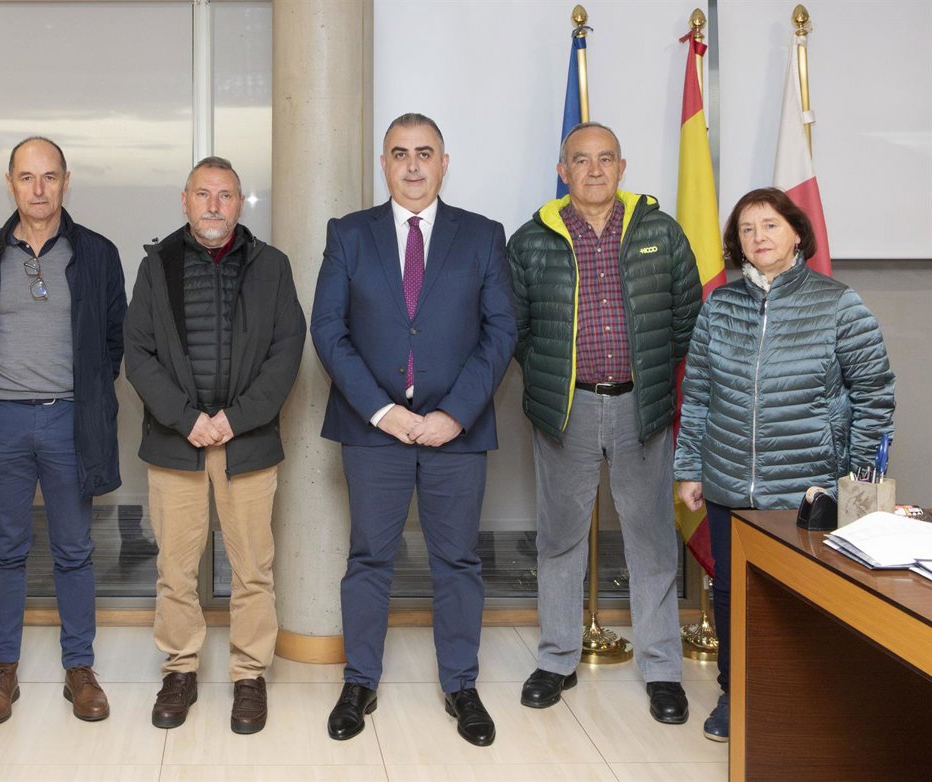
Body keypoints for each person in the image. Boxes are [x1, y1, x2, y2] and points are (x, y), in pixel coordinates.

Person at [311, 113, 517, 747]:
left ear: (444, 163)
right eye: (400, 153)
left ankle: (461, 685)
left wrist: (454, 413)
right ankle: (359, 682)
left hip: (457, 431)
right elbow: (328, 329)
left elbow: (501, 331)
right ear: (384, 163)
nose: (413, 165)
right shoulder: (349, 233)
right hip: (375, 430)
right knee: (369, 557)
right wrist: (383, 412)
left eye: (425, 153)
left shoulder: (483, 235)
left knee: (457, 560)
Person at [675, 186, 895, 741]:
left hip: (808, 489)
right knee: (730, 591)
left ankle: (802, 702)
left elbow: (874, 394)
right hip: (728, 481)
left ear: (797, 232)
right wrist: (690, 467)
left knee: (803, 596)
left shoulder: (837, 303)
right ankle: (735, 693)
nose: (759, 237)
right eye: (747, 229)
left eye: (770, 225)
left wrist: (857, 478)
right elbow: (697, 394)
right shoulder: (720, 305)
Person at [507, 122, 701, 725]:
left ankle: (662, 669)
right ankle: (557, 658)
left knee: (652, 539)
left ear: (622, 167)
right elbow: (515, 328)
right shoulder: (531, 241)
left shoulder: (661, 233)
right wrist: (554, 378)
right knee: (560, 538)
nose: (594, 170)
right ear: (562, 170)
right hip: (568, 408)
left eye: (605, 159)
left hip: (641, 407)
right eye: (581, 160)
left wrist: (649, 376)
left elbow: (686, 319)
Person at [124, 156, 305, 734]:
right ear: (185, 201)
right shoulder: (156, 266)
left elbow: (287, 351)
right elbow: (138, 355)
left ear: (239, 203)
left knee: (253, 568)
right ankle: (180, 669)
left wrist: (234, 419)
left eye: (225, 195)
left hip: (245, 443)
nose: (213, 205)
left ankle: (249, 675)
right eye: (202, 194)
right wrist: (188, 420)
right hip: (177, 441)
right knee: (175, 569)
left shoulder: (271, 266)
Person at [0, 136, 127, 725]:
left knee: (74, 549)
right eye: (27, 177)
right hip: (0, 420)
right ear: (10, 184)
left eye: (50, 176)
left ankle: (80, 669)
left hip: (68, 420)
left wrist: (85, 397)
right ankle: (3, 671)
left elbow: (112, 339)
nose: (39, 188)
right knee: (6, 550)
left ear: (66, 181)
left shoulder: (97, 253)